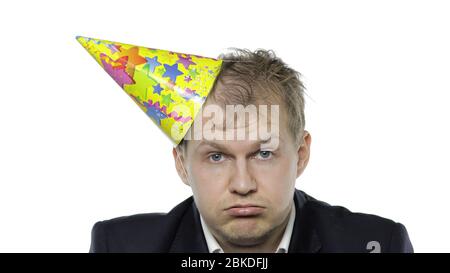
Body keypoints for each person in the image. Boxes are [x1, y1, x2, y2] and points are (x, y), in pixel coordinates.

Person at [81, 38, 413, 253]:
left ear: (301, 154)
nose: (242, 184)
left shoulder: (377, 245)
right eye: (216, 156)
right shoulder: (121, 247)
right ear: (182, 165)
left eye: (264, 153)